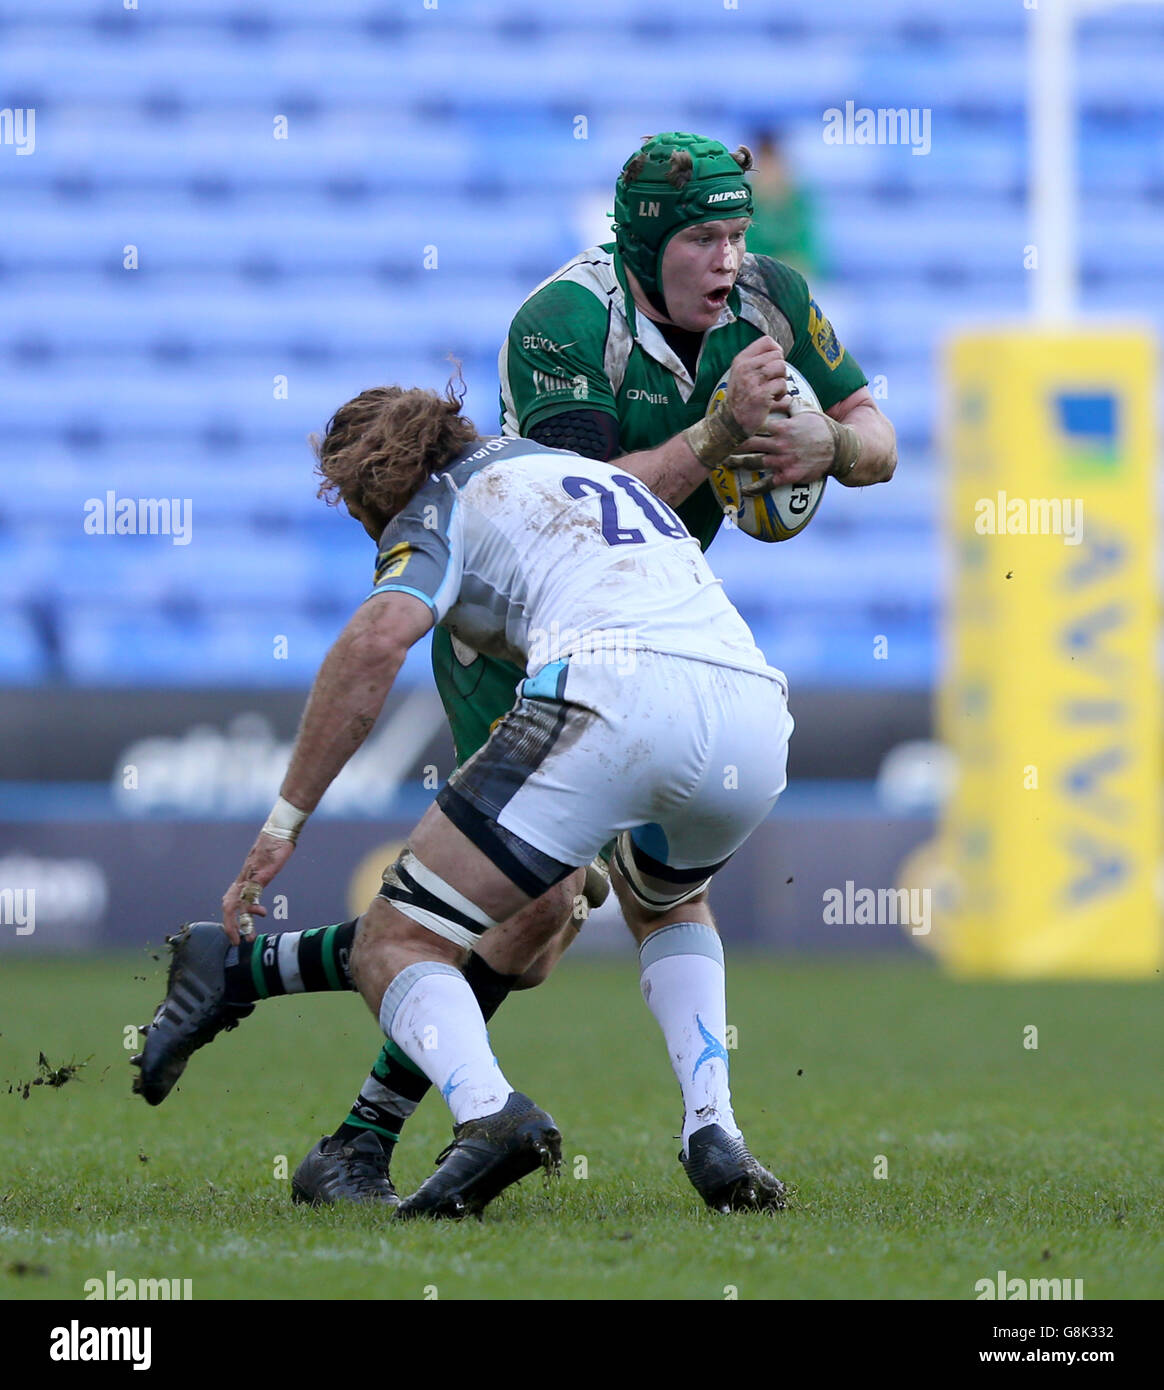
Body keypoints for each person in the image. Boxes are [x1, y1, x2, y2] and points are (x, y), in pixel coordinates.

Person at [136, 131, 896, 1207]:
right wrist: (722, 431)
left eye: (738, 232)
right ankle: (374, 1130)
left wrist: (829, 447)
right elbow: (583, 493)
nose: (728, 257)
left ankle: (290, 1034)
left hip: (640, 633)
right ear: (641, 238)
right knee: (538, 913)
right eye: (702, 237)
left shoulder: (770, 299)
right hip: (545, 640)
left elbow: (879, 440)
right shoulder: (565, 324)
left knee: (523, 927)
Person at [143, 379, 796, 1219]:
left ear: (375, 485)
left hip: (612, 691)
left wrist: (284, 825)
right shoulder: (566, 470)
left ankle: (491, 1116)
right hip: (753, 711)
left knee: (398, 939)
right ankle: (715, 1130)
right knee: (665, 905)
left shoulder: (436, 503)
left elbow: (377, 640)